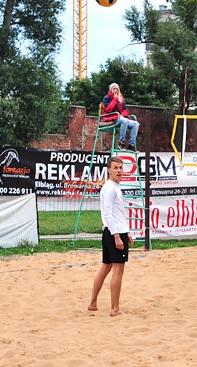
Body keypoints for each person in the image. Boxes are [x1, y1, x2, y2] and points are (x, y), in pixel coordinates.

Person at [87, 156, 134, 316]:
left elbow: (117, 213)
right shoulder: (109, 188)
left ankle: (93, 303)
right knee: (118, 270)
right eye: (116, 168)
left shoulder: (114, 186)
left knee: (106, 266)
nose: (119, 170)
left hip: (115, 231)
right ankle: (114, 308)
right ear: (109, 170)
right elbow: (107, 213)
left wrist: (126, 232)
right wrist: (117, 235)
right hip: (113, 232)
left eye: (121, 168)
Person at [100, 83, 139, 151]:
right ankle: (121, 143)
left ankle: (131, 144)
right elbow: (108, 109)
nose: (115, 90)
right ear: (111, 90)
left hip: (119, 117)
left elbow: (125, 110)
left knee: (135, 124)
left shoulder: (121, 98)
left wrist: (122, 115)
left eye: (117, 89)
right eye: (114, 89)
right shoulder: (106, 98)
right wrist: (114, 100)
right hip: (110, 117)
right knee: (124, 121)